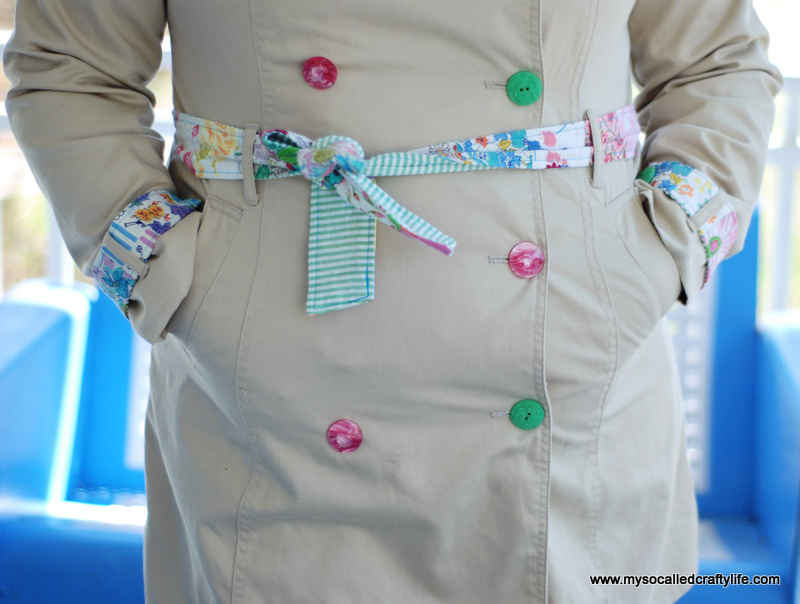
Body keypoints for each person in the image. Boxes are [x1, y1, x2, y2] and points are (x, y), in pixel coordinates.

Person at [4, 1, 781, 602]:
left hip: (573, 380)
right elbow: (68, 74)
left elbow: (720, 64)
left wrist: (666, 248)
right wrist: (171, 275)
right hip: (273, 396)